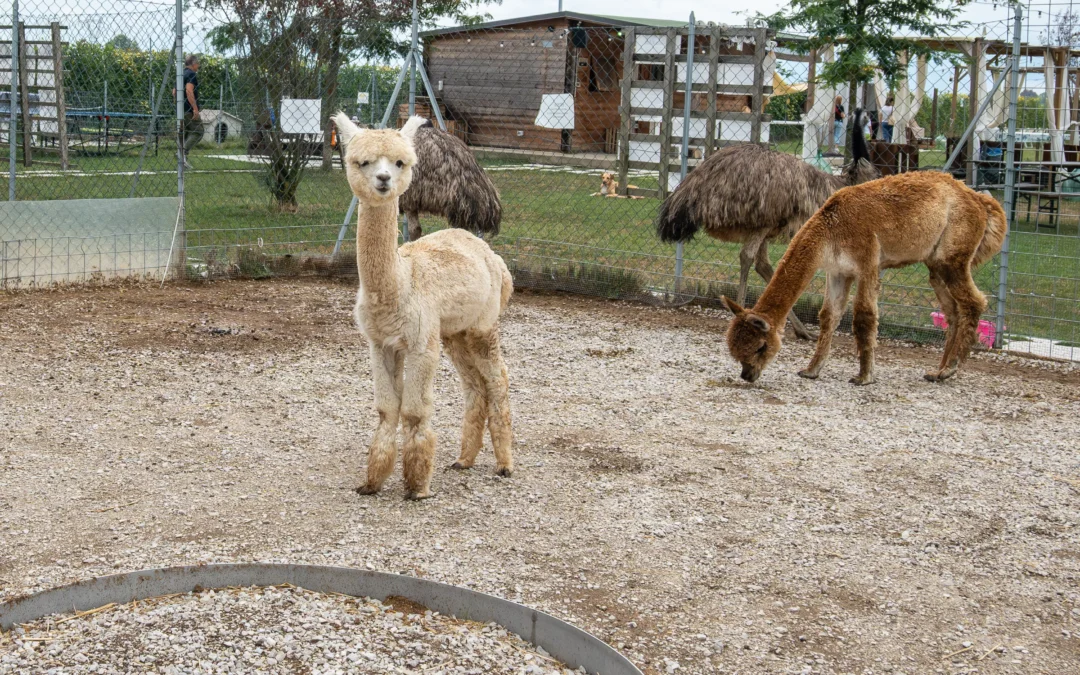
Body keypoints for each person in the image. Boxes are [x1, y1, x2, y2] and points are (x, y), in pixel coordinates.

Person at [173, 54, 203, 170]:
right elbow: (189, 91)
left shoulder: (180, 75)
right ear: (194, 64)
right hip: (189, 109)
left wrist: (178, 107)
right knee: (198, 131)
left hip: (180, 109)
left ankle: (182, 160)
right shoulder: (191, 74)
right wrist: (195, 109)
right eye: (198, 63)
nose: (198, 66)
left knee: (184, 133)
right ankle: (183, 152)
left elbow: (174, 92)